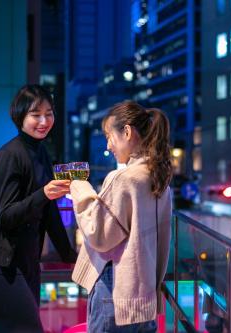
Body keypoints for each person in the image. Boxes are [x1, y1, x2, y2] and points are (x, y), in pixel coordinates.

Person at [0, 84, 77, 332]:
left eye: (49, 113)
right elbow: (6, 216)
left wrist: (69, 255)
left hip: (26, 259)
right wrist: (44, 194)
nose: (44, 120)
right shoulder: (9, 155)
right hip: (1, 262)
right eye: (35, 114)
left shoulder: (42, 154)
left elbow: (49, 214)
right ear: (20, 116)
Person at [69, 100, 173, 332]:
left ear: (127, 132)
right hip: (144, 291)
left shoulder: (124, 179)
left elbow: (99, 235)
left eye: (109, 136)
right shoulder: (159, 179)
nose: (108, 145)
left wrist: (79, 188)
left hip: (115, 287)